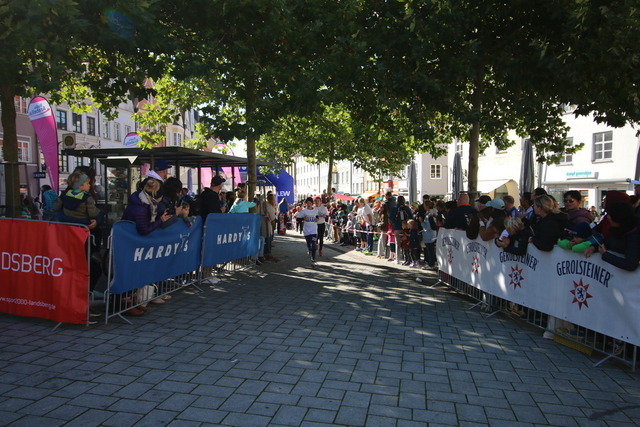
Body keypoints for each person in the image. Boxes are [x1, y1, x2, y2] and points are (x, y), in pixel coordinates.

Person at [585, 201, 639, 271]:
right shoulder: (616, 230)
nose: (608, 217)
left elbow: (630, 264)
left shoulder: (635, 236)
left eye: (610, 215)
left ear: (618, 217)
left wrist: (605, 255)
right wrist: (594, 247)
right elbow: (608, 243)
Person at [295, 197, 320, 264]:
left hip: (314, 230)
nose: (309, 205)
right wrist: (303, 218)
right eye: (307, 203)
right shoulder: (304, 211)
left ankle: (313, 259)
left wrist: (317, 219)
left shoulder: (315, 210)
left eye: (310, 203)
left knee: (313, 244)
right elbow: (297, 217)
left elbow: (317, 216)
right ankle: (309, 250)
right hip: (306, 231)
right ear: (305, 204)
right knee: (309, 244)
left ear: (312, 204)